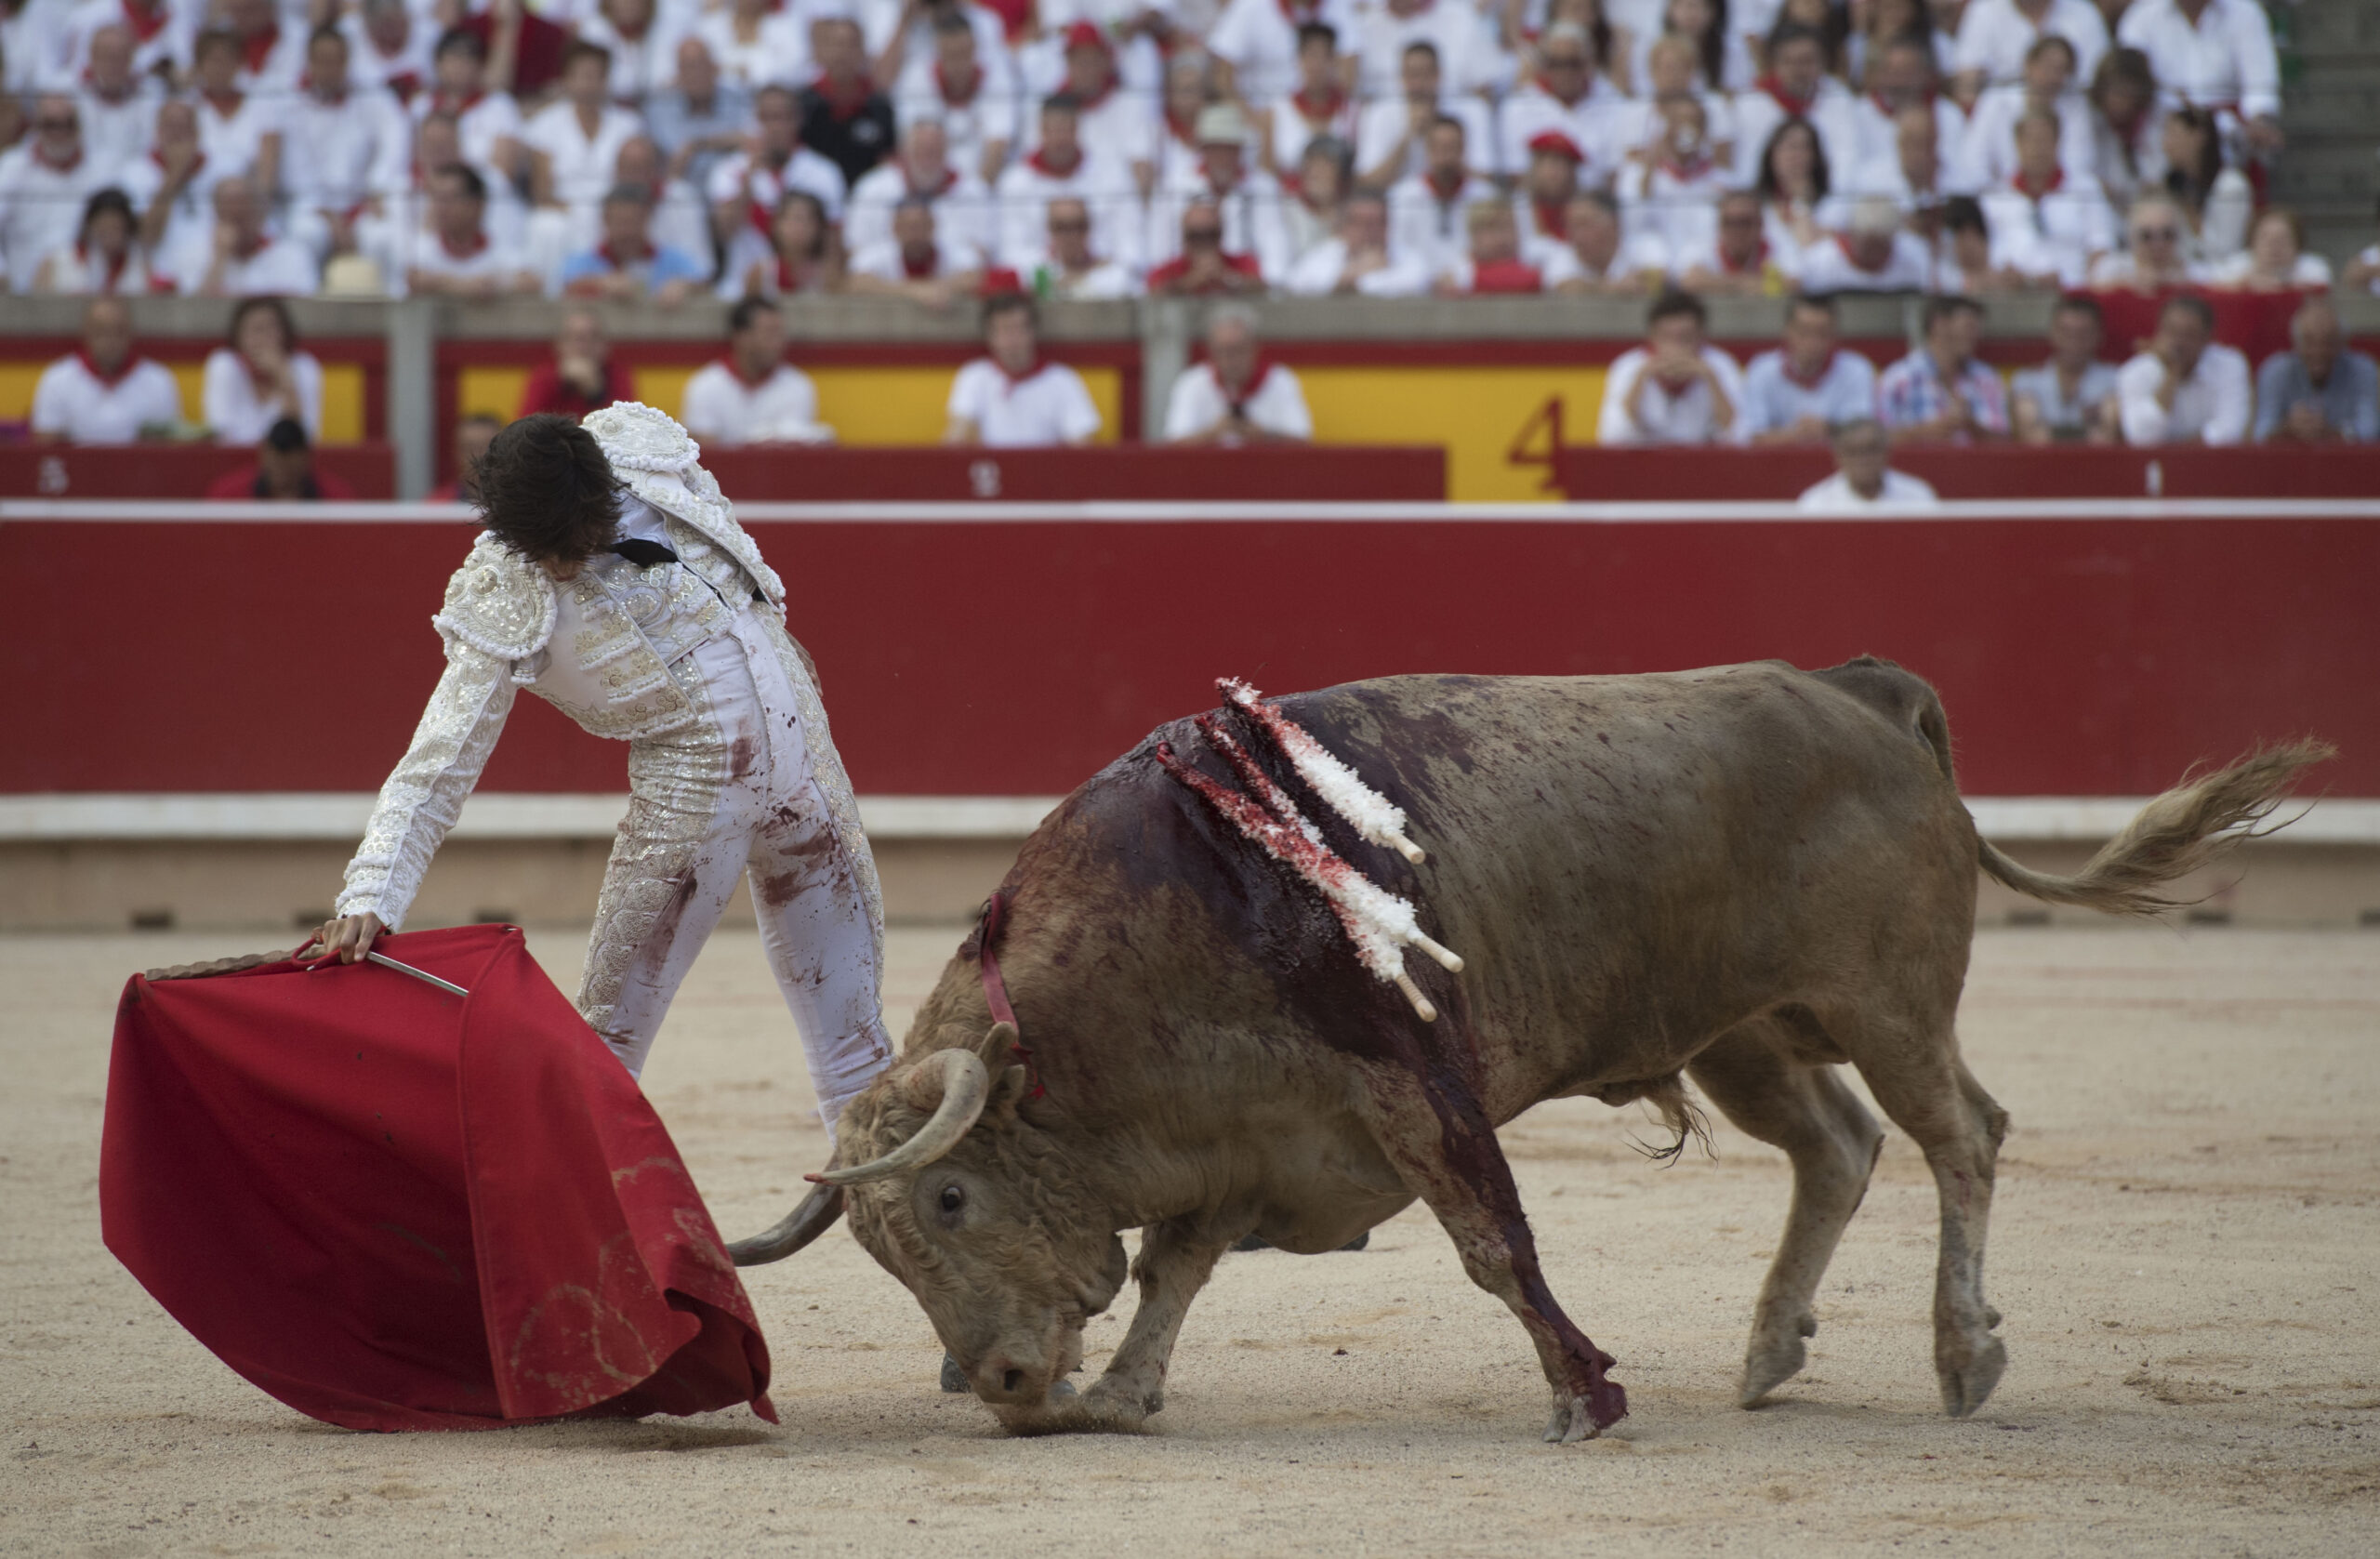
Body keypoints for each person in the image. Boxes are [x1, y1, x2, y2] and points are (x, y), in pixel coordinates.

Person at [310, 404, 896, 1148]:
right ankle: (572, 1246)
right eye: (544, 549)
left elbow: (745, 572)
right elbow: (438, 760)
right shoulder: (506, 586)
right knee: (606, 1045)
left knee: (859, 1044)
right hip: (692, 793)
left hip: (806, 758)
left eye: (570, 542)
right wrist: (371, 892)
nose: (560, 565)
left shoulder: (646, 459)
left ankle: (915, 1235)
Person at [944, 292, 1102, 446]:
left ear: (1033, 332)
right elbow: (957, 437)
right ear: (990, 337)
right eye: (1005, 330)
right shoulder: (974, 375)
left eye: (1019, 329)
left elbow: (1083, 445)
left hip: (1047, 471)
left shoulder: (1062, 379)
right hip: (993, 472)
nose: (1013, 340)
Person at [1597, 289, 1746, 446]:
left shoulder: (1720, 365)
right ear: (1652, 336)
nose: (1676, 347)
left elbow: (1739, 436)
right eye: (1666, 337)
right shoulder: (1628, 367)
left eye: (1685, 338)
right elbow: (1612, 437)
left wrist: (1712, 380)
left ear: (1701, 336)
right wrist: (1640, 380)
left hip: (1704, 464)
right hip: (1645, 465)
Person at [681, 295, 834, 446]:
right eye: (769, 333)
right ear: (741, 336)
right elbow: (704, 454)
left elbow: (792, 451)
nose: (779, 343)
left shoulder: (798, 385)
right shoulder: (705, 385)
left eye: (780, 333)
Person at [31, 296, 182, 443]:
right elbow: (46, 450)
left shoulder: (159, 381)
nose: (110, 340)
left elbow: (169, 450)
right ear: (86, 332)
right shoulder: (57, 380)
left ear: (131, 333)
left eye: (119, 331)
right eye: (101, 331)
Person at [1164, 302, 1313, 445]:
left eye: (1238, 349)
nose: (1231, 359)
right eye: (1223, 350)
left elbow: (1302, 440)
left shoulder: (1281, 380)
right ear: (1211, 351)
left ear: (1254, 348)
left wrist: (1264, 436)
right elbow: (1174, 444)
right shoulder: (1192, 383)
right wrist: (1214, 433)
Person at [2114, 291, 2249, 446]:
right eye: (2171, 332)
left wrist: (2179, 454)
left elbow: (2229, 431)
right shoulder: (2134, 372)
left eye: (2188, 334)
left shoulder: (2230, 365)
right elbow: (2142, 437)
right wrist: (2171, 375)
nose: (2178, 343)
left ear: (2207, 338)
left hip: (2213, 464)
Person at [1740, 294, 1878, 443]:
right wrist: (1795, 435)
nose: (1813, 342)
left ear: (1835, 333)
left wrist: (1827, 429)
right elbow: (1751, 436)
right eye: (1804, 332)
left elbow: (1863, 434)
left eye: (1822, 333)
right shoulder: (1762, 370)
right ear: (1788, 331)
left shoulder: (1857, 369)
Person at [0, 94, 103, 291]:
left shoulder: (100, 171)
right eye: (51, 124)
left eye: (68, 124)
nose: (60, 131)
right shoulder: (12, 168)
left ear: (79, 127)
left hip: (84, 294)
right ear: (36, 127)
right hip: (22, 295)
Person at [1878, 293, 2010, 443]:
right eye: (1969, 326)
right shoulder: (1898, 377)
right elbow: (1877, 440)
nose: (1975, 335)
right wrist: (1922, 432)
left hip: (1975, 466)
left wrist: (1971, 426)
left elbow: (2004, 443)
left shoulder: (1986, 377)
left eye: (1977, 328)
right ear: (1939, 324)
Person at [2252, 297, 2378, 446]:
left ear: (2343, 343)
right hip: (2289, 464)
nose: (2318, 351)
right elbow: (2260, 434)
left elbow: (2371, 432)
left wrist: (2330, 432)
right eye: (2309, 342)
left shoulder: (2363, 369)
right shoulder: (2275, 370)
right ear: (2296, 344)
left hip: (2345, 464)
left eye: (2328, 342)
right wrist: (2287, 429)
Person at [405, 163, 539, 297]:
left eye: (449, 199)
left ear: (476, 204)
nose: (441, 208)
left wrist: (493, 285)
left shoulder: (502, 252)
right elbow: (414, 280)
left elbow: (531, 283)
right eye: (437, 199)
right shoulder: (423, 250)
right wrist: (464, 286)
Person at [561, 182, 708, 305]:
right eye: (620, 222)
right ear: (605, 220)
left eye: (634, 222)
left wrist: (685, 286)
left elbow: (705, 284)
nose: (627, 231)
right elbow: (565, 288)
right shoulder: (583, 261)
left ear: (648, 219)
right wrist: (600, 284)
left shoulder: (674, 258)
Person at [203, 297, 324, 445]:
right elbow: (221, 435)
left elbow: (302, 439)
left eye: (271, 329)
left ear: (285, 333)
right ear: (238, 338)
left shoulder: (304, 367)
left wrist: (284, 377)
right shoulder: (223, 364)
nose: (264, 339)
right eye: (256, 330)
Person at [646, 38, 752, 198]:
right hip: (682, 196)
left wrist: (697, 145)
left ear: (714, 67)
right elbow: (667, 160)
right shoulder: (659, 109)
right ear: (678, 74)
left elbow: (750, 139)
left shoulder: (738, 100)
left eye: (699, 65)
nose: (694, 75)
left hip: (731, 195)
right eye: (687, 68)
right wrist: (724, 142)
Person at [799, 17, 895, 191]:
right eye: (835, 44)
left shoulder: (879, 105)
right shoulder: (805, 103)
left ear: (863, 52)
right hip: (814, 198)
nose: (842, 53)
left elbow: (888, 162)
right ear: (821, 51)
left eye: (851, 45)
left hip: (866, 198)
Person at [185, 176, 319, 297]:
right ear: (216, 212)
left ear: (260, 212)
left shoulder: (292, 255)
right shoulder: (194, 255)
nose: (235, 210)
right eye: (228, 209)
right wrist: (219, 259)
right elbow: (196, 311)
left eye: (242, 206)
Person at [2010, 293, 2119, 443]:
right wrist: (2085, 431)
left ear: (2098, 335)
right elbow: (2031, 436)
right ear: (2052, 333)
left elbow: (2106, 437)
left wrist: (2052, 432)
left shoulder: (2114, 378)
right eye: (2066, 332)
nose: (2073, 342)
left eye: (2083, 334)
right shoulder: (2027, 379)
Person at [1791, 195, 1933, 292]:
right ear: (1852, 234)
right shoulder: (1819, 262)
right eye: (1869, 246)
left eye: (1880, 247)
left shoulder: (1911, 262)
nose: (1874, 254)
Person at [1796, 417, 1942, 509]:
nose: (1863, 459)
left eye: (1871, 449)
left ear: (1886, 453)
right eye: (1853, 452)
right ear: (1838, 457)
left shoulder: (1918, 495)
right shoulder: (1816, 503)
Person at [31, 187, 152, 295]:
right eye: (103, 228)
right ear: (90, 226)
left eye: (115, 228)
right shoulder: (58, 262)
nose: (109, 236)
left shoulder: (139, 268)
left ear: (127, 229)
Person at [1675, 188, 1795, 296]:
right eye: (1729, 222)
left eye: (1745, 222)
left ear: (1760, 224)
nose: (1737, 230)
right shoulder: (1703, 245)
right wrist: (1753, 283)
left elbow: (1793, 284)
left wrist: (1716, 282)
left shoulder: (1778, 244)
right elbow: (1689, 281)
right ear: (1719, 225)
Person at [205, 416, 358, 500]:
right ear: (263, 455)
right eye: (277, 463)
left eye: (288, 465)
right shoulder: (228, 496)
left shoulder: (336, 498)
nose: (282, 470)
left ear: (306, 457)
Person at [1552, 190, 1669, 295]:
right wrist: (1616, 288)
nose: (1576, 236)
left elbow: (1655, 281)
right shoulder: (1563, 254)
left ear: (1613, 224)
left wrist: (1593, 288)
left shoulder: (1645, 245)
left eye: (1584, 225)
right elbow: (1565, 287)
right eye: (1572, 227)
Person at [520, 307, 628, 419]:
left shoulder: (618, 375)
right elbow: (526, 428)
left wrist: (597, 395)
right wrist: (559, 385)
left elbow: (629, 427)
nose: (584, 346)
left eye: (593, 337)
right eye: (576, 338)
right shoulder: (544, 376)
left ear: (605, 344)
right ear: (559, 344)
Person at [1026, 195, 1139, 298]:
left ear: (1089, 228)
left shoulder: (1114, 275)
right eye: (1061, 227)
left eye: (1078, 226)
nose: (1071, 235)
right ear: (1049, 230)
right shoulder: (1034, 273)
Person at [2208, 207, 2334, 293]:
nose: (2274, 247)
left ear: (2297, 245)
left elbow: (2320, 290)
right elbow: (2210, 288)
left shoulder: (2314, 268)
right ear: (2252, 243)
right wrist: (2246, 282)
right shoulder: (2234, 267)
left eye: (2282, 239)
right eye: (2266, 238)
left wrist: (2281, 286)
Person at [429, 413, 501, 501]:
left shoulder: (520, 503)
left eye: (487, 447)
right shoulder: (437, 506)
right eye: (470, 447)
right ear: (456, 453)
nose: (478, 455)